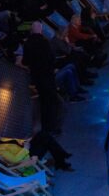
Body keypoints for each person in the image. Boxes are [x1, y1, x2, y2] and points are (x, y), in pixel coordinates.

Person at [19, 21, 73, 168]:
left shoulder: (28, 44)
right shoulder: (45, 42)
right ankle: (53, 127)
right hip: (48, 77)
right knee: (53, 103)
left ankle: (48, 129)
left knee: (44, 103)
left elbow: (25, 61)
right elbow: (51, 58)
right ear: (41, 31)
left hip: (37, 79)